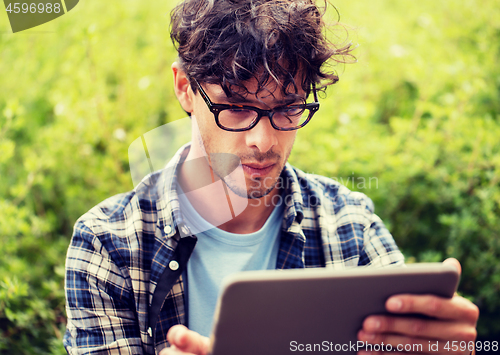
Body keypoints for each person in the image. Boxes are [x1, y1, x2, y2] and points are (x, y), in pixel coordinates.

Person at [63, 0, 479, 354]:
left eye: (288, 108)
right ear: (185, 88)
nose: (263, 141)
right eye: (237, 108)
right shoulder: (108, 245)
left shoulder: (350, 228)